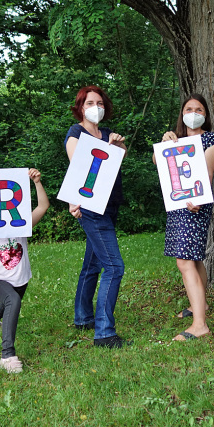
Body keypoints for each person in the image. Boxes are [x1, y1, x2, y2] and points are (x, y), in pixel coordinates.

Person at [65, 86, 129, 348]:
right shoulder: (75, 134)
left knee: (93, 263)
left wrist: (118, 144)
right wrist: (73, 200)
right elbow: (79, 169)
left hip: (110, 204)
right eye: (90, 102)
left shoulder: (107, 133)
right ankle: (104, 333)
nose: (96, 107)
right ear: (80, 106)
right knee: (114, 267)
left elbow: (118, 161)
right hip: (92, 209)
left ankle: (83, 317)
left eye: (100, 102)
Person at [157, 93, 214, 341]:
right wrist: (165, 142)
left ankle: (199, 326)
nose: (194, 113)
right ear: (182, 114)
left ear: (205, 115)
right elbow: (157, 161)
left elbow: (208, 172)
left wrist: (198, 200)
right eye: (189, 108)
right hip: (177, 205)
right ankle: (200, 306)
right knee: (193, 259)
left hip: (195, 204)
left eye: (199, 109)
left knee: (184, 261)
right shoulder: (176, 140)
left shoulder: (210, 139)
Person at [0, 168, 49, 373]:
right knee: (12, 301)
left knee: (10, 302)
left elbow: (43, 206)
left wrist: (36, 182)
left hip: (21, 279)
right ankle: (7, 355)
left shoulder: (21, 225)